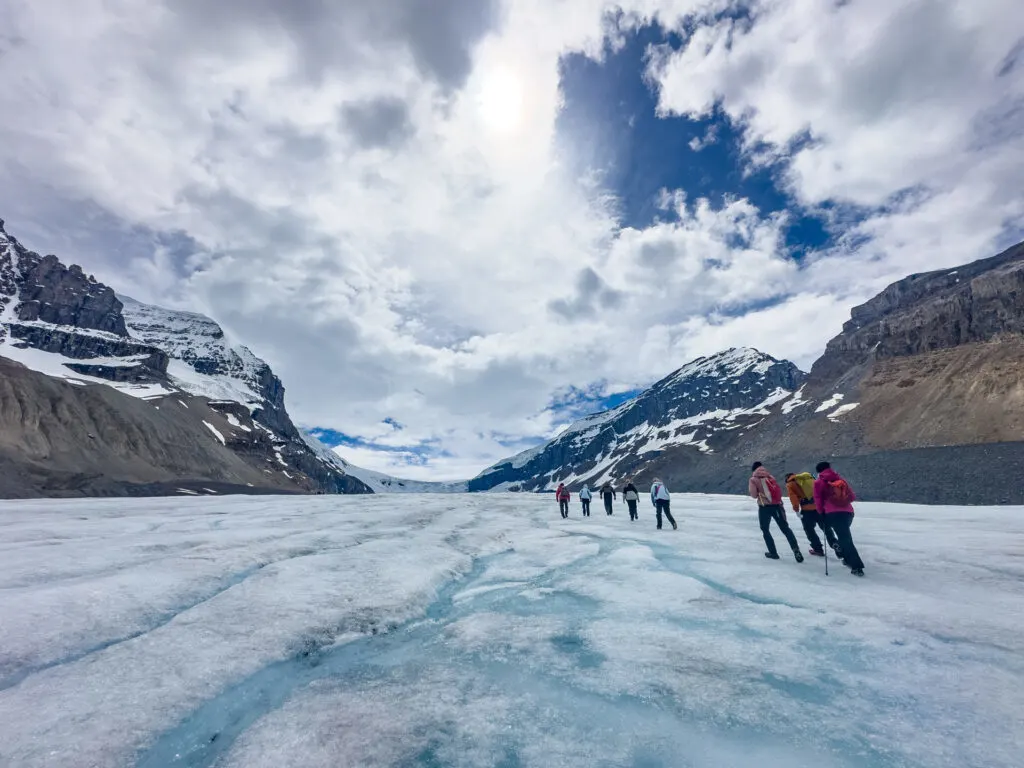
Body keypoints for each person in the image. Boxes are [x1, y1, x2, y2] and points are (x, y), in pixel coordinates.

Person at [813, 462, 865, 576]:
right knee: (844, 537)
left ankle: (857, 566)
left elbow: (818, 500)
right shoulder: (840, 480)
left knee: (845, 539)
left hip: (832, 514)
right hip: (848, 513)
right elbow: (852, 497)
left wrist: (821, 512)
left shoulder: (818, 482)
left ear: (819, 471)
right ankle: (847, 559)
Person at [748, 462, 804, 562]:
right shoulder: (770, 476)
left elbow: (754, 495)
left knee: (765, 529)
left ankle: (773, 553)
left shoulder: (753, 479)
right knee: (785, 528)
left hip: (764, 507)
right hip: (777, 506)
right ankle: (796, 550)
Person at [785, 471, 841, 558]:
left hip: (806, 510)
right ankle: (835, 543)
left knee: (809, 530)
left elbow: (794, 499)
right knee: (826, 527)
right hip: (819, 507)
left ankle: (818, 549)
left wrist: (796, 510)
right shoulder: (808, 478)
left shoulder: (790, 484)